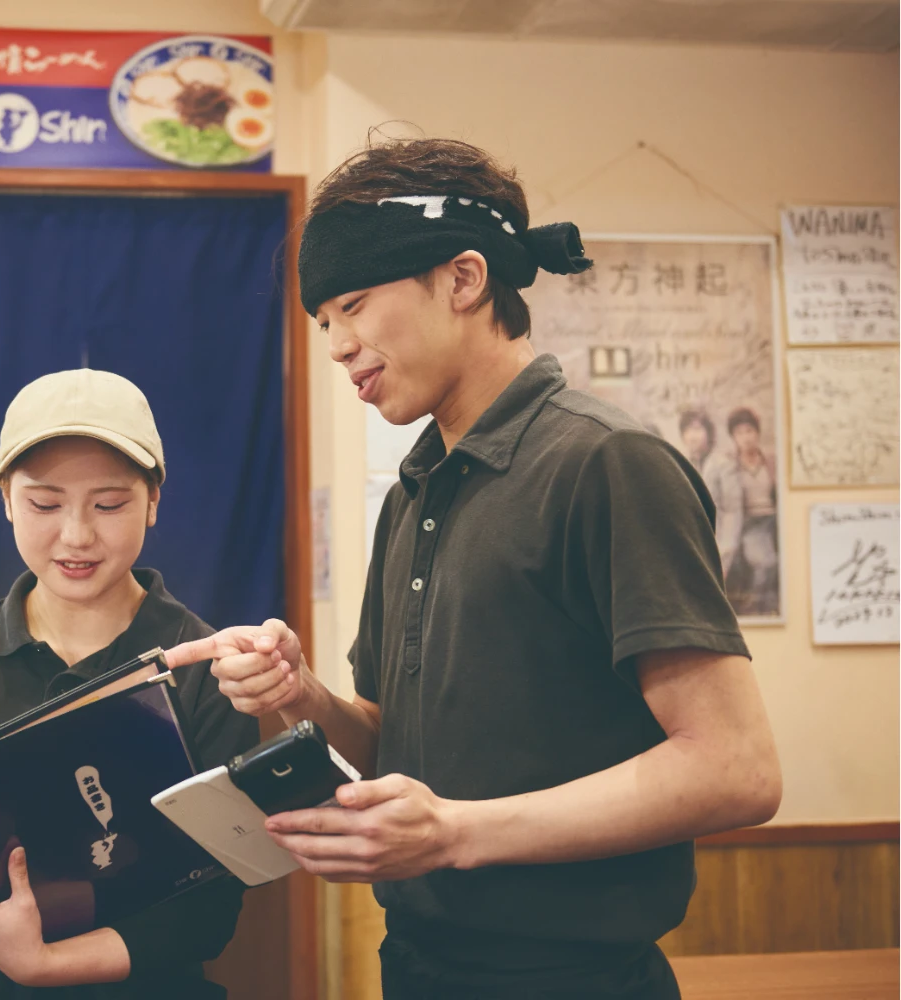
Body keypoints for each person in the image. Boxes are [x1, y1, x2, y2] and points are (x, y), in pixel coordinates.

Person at [166, 136, 782, 999]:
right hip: (419, 964)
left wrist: (454, 832)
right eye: (324, 322)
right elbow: (392, 741)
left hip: (574, 978)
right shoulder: (413, 492)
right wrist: (300, 694)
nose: (337, 345)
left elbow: (735, 768)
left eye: (353, 304)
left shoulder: (606, 463)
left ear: (464, 279)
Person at [0, 368, 258, 999]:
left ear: (153, 501)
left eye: (108, 505)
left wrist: (42, 964)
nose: (77, 535)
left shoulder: (205, 666)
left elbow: (212, 905)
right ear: (7, 499)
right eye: (45, 504)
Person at [706, 407, 779, 616]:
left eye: (749, 431)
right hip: (750, 525)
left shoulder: (771, 462)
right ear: (733, 437)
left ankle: (770, 607)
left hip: (774, 521)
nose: (746, 438)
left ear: (757, 432)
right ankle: (755, 609)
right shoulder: (730, 466)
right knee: (765, 563)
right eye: (739, 433)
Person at [677, 408, 716, 475]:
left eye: (696, 429)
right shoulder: (681, 463)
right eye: (687, 431)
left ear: (708, 433)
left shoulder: (722, 464)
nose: (692, 436)